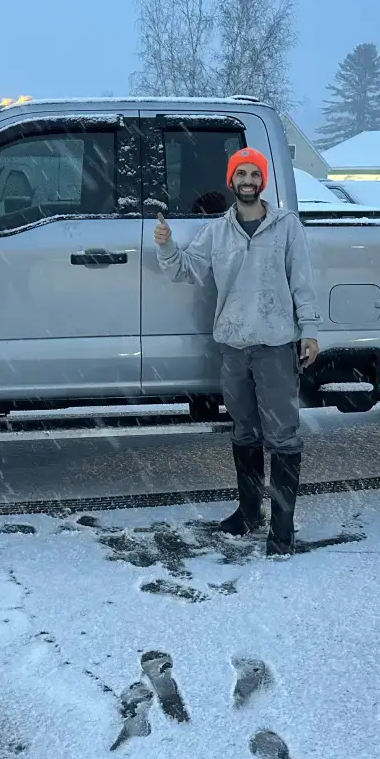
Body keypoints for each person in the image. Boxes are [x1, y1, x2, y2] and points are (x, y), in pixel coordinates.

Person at [154, 146, 320, 556]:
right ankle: (249, 514)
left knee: (282, 435)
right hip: (233, 345)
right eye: (241, 174)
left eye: (254, 174)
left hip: (276, 344)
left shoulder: (285, 225)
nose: (248, 180)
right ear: (231, 182)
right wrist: (166, 244)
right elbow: (185, 270)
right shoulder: (216, 231)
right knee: (244, 430)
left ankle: (282, 527)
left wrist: (310, 330)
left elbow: (301, 279)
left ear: (263, 181)